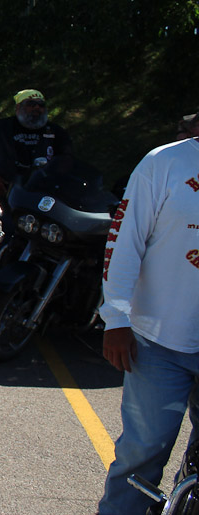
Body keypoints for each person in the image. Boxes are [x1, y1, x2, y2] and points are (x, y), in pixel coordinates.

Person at [96, 134, 199, 514]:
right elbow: (124, 242)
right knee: (143, 450)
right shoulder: (164, 163)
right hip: (159, 339)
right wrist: (116, 318)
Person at [0, 88, 72, 199]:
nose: (37, 107)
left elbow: (66, 160)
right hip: (3, 193)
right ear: (18, 108)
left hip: (42, 194)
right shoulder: (0, 128)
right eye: (31, 104)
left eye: (41, 105)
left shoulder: (56, 131)